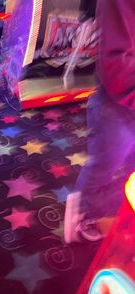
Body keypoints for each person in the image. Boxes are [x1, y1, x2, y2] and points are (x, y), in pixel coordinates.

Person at [64, 0, 135, 243]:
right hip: (116, 103)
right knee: (104, 166)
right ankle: (85, 211)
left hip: (123, 95)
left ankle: (105, 209)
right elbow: (117, 61)